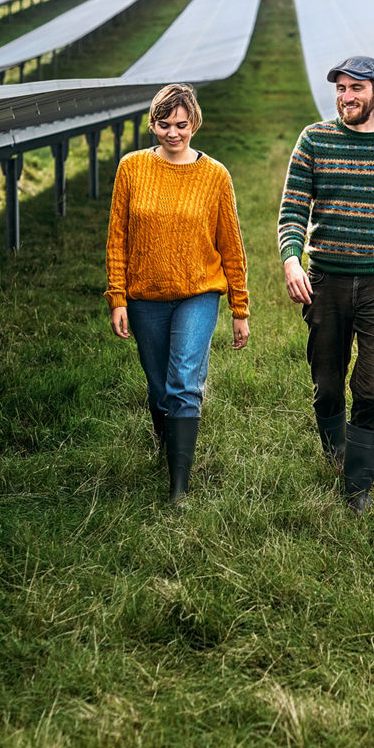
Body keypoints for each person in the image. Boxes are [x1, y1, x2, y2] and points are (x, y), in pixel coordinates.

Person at [278, 56, 374, 516]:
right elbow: (292, 210)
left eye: (356, 88)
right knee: (326, 382)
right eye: (340, 88)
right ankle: (336, 452)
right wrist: (291, 260)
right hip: (326, 281)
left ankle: (358, 489)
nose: (346, 97)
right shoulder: (314, 140)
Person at [105, 83, 250, 503]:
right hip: (144, 295)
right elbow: (118, 238)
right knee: (159, 387)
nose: (173, 133)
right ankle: (167, 445)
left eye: (181, 124)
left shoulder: (215, 176)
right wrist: (118, 297)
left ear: (195, 123)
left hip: (198, 292)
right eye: (164, 124)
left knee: (184, 380)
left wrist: (239, 307)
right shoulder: (131, 168)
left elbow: (231, 244)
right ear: (152, 124)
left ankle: (178, 487)